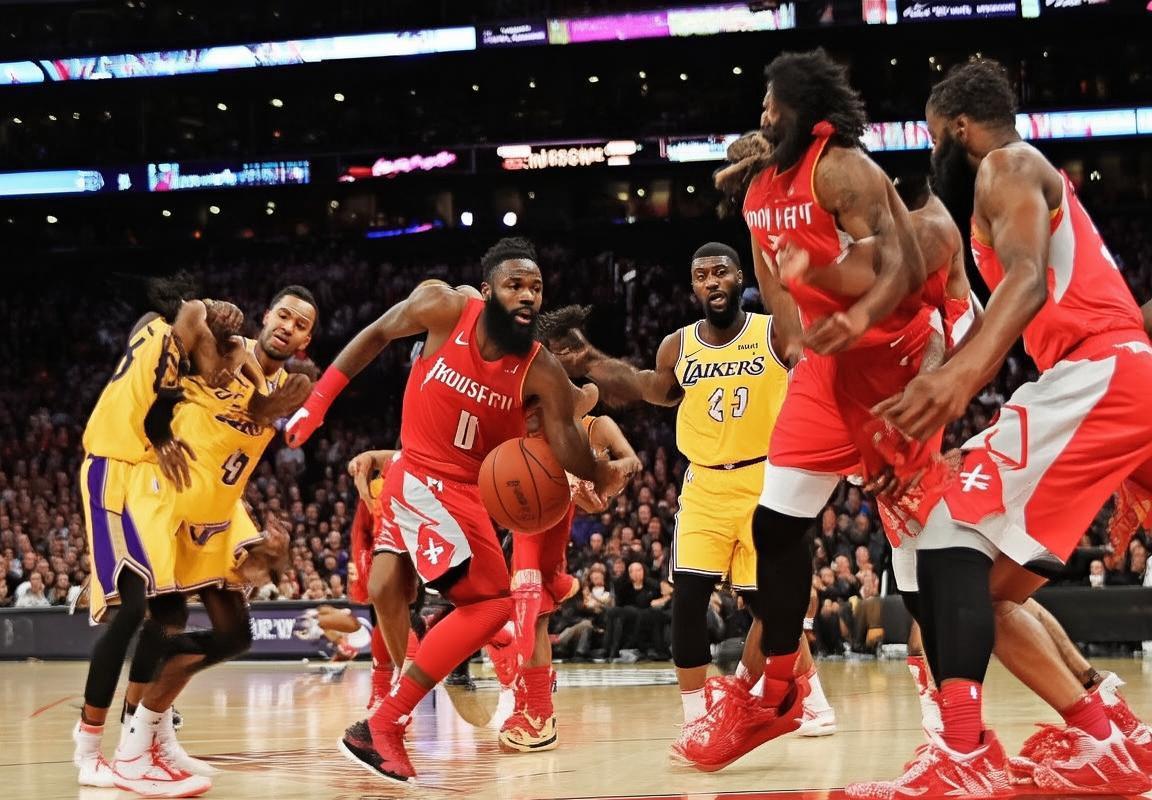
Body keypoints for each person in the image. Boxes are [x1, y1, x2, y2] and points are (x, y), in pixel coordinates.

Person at [850, 59, 1152, 797]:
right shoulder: (1020, 183)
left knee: (945, 529)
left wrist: (955, 386)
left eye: (933, 137)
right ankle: (1107, 732)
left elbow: (1026, 281)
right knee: (982, 593)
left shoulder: (1005, 165)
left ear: (958, 128)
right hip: (1113, 379)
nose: (933, 153)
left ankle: (964, 754)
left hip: (1098, 371)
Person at [285, 238, 636, 784]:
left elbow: (569, 438)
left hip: (469, 494)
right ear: (489, 289)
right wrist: (318, 400)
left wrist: (597, 473)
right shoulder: (445, 308)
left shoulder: (539, 369)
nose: (527, 295)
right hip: (417, 476)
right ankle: (385, 717)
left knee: (491, 604)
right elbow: (376, 333)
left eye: (536, 287)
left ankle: (387, 715)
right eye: (515, 285)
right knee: (412, 591)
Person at [690, 48, 932, 771]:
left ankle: (948, 731)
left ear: (801, 109)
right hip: (827, 368)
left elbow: (902, 267)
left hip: (893, 363)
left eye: (772, 103)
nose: (762, 114)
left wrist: (842, 304)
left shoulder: (844, 169)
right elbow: (776, 286)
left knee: (920, 566)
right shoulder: (759, 193)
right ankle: (779, 692)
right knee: (775, 526)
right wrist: (796, 340)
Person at [545, 243, 837, 770]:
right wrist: (590, 360)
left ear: (739, 278)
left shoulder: (771, 332)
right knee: (689, 596)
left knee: (772, 606)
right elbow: (649, 388)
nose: (712, 282)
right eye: (702, 275)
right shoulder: (678, 346)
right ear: (693, 286)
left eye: (721, 272)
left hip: (765, 479)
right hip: (705, 484)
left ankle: (810, 696)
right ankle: (696, 717)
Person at [109, 287, 315, 797]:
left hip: (219, 512)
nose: (288, 326)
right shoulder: (223, 346)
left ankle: (154, 730)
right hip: (167, 497)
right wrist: (203, 312)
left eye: (300, 324)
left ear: (306, 340)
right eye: (283, 315)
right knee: (167, 621)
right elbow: (161, 325)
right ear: (266, 315)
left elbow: (257, 418)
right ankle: (132, 744)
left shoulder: (289, 386)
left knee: (234, 634)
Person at [73, 275, 245, 791]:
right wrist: (211, 311)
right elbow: (194, 325)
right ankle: (89, 751)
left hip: (138, 478)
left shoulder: (150, 331)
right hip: (112, 467)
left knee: (163, 612)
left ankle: (144, 735)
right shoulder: (178, 321)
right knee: (132, 610)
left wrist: (229, 342)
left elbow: (208, 369)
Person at [498, 406, 640, 754]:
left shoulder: (594, 426)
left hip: (553, 524)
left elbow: (627, 467)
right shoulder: (519, 420)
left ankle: (536, 707)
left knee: (535, 610)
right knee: (530, 606)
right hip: (524, 515)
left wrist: (598, 475)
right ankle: (535, 706)